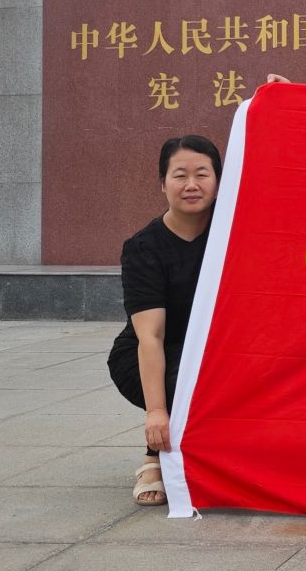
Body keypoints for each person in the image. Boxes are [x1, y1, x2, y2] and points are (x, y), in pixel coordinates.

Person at [107, 134, 222, 507]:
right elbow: (151, 336)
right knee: (188, 381)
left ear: (219, 181)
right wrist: (156, 411)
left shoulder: (232, 234)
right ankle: (155, 457)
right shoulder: (143, 248)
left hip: (211, 351)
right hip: (147, 354)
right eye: (180, 175)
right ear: (162, 183)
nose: (192, 185)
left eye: (202, 174)